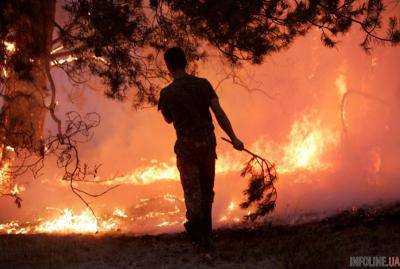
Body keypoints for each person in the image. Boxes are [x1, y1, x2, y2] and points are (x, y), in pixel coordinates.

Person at [158, 47, 244, 250]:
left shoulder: (167, 93)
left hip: (186, 148)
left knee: (192, 193)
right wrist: (234, 138)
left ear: (168, 66)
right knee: (207, 192)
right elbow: (219, 114)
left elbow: (168, 119)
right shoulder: (203, 85)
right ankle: (206, 236)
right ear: (186, 62)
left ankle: (198, 233)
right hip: (207, 144)